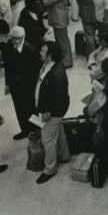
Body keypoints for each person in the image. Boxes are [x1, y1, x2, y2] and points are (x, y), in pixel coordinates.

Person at [34, 39, 71, 184]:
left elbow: (58, 97)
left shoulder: (55, 74)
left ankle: (50, 169)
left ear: (49, 55)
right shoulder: (51, 65)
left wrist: (47, 112)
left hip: (53, 112)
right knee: (59, 131)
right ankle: (64, 156)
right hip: (56, 111)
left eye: (42, 51)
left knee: (47, 140)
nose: (40, 53)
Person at [1, 25, 41, 140]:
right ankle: (25, 130)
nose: (16, 41)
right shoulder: (9, 48)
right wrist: (7, 84)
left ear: (23, 37)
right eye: (13, 38)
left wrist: (33, 87)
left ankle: (38, 129)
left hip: (28, 86)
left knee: (31, 109)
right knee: (19, 108)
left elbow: (36, 71)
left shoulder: (31, 50)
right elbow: (8, 68)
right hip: (15, 86)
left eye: (19, 38)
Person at [44, 0, 73, 69]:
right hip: (58, 17)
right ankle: (64, 59)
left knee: (62, 41)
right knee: (60, 40)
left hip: (59, 18)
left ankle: (67, 62)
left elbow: (46, 2)